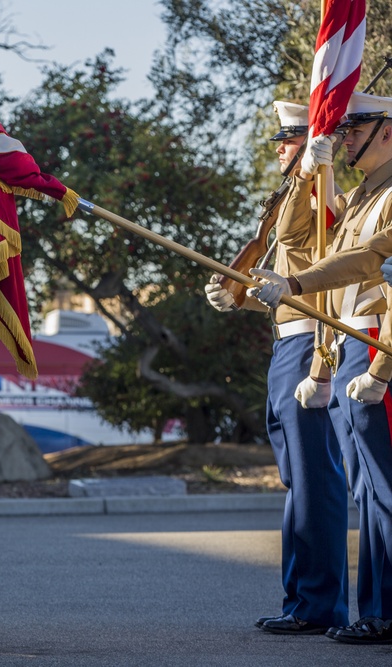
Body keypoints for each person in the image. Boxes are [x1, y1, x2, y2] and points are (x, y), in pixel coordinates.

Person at [250, 91, 392, 645]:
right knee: (366, 487)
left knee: (380, 487)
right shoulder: (359, 197)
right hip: (346, 342)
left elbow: (364, 263)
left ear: (387, 129)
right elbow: (298, 242)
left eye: (356, 128)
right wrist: (324, 361)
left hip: (375, 339)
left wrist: (378, 369)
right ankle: (377, 609)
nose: (345, 137)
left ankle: (381, 610)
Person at [205, 100, 348, 635]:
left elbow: (308, 258)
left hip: (312, 342)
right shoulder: (294, 192)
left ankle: (319, 604)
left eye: (289, 142)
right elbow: (285, 282)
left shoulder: (318, 191)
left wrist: (315, 169)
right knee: (297, 480)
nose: (284, 151)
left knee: (315, 480)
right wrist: (240, 298)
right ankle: (301, 599)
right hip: (287, 341)